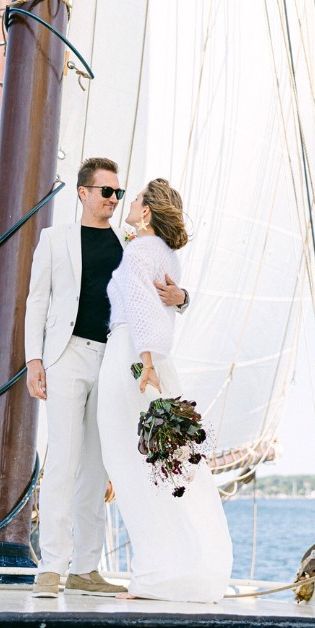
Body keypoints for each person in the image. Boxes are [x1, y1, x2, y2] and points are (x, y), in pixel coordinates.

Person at [25, 157, 190, 599]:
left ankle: (85, 567)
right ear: (83, 192)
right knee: (63, 459)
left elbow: (158, 288)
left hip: (112, 361)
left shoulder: (129, 241)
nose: (115, 199)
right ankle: (52, 566)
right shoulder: (54, 238)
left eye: (119, 193)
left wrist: (184, 297)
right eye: (107, 191)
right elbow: (36, 300)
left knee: (98, 468)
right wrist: (33, 360)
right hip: (65, 356)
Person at [97, 178, 232, 602]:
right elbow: (162, 305)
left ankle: (156, 577)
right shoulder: (165, 253)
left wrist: (147, 363)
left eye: (135, 199)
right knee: (161, 466)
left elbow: (141, 309)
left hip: (133, 360)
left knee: (131, 465)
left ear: (148, 212)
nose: (128, 203)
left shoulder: (140, 249)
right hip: (147, 358)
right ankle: (181, 571)